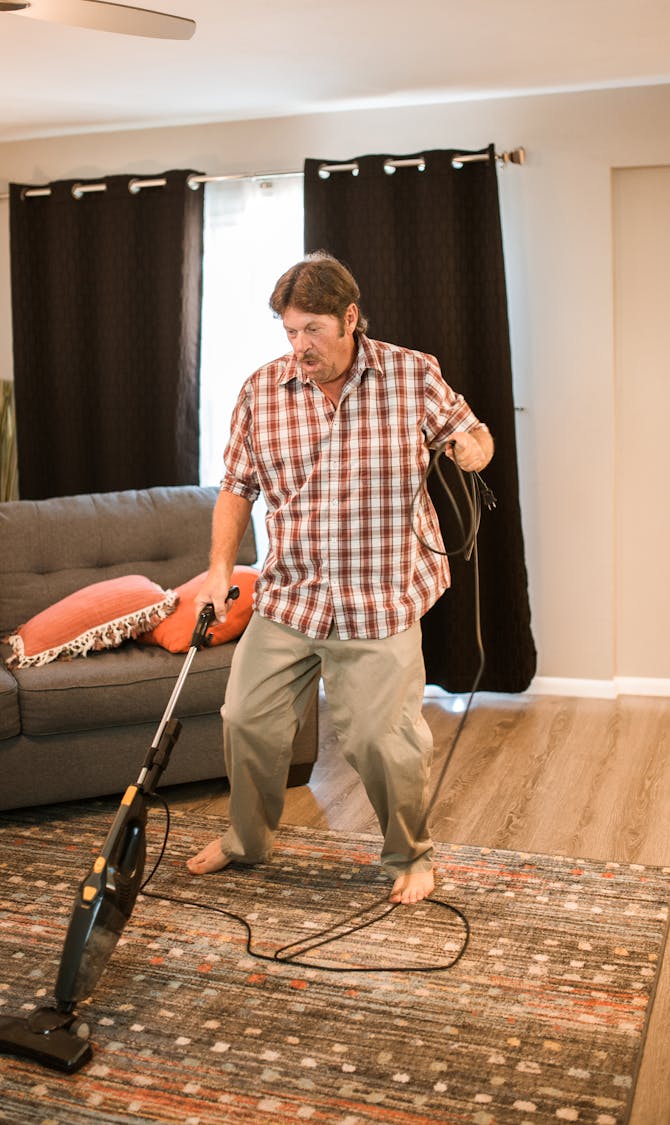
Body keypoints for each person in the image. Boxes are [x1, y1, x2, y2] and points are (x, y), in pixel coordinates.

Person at [187, 251, 493, 904]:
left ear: (349, 317)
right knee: (245, 717)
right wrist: (219, 567)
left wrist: (472, 449)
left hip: (379, 599)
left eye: (312, 331)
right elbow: (237, 487)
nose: (299, 346)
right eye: (289, 330)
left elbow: (475, 434)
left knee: (384, 740)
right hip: (291, 595)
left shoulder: (413, 376)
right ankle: (248, 837)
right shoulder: (260, 391)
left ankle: (409, 855)